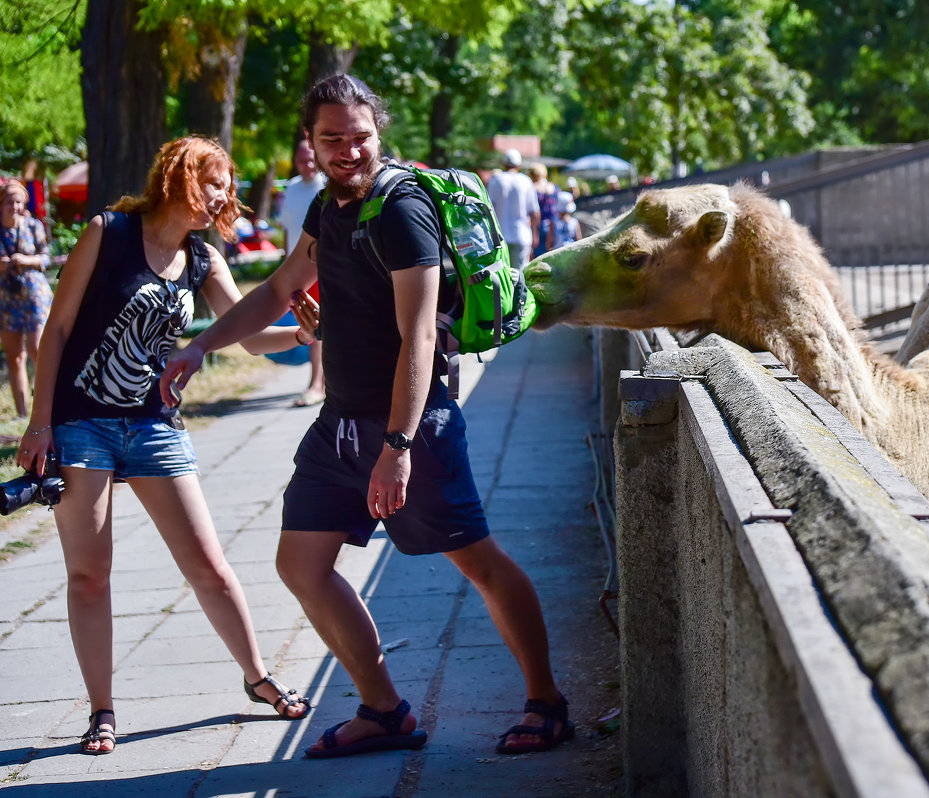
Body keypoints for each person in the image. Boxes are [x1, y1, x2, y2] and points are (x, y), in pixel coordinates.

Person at [161, 73, 572, 759]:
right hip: (339, 424)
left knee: (478, 562)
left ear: (378, 133)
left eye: (360, 137)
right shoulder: (329, 205)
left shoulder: (403, 211)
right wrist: (202, 344)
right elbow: (282, 289)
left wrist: (399, 446)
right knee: (302, 563)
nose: (348, 150)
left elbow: (418, 338)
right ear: (311, 144)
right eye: (333, 140)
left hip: (410, 426)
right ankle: (384, 710)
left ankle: (547, 702)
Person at [17, 136, 317, 755]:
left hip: (155, 425)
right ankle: (101, 711)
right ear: (181, 176)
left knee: (209, 565)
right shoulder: (110, 231)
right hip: (81, 423)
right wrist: (39, 422)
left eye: (229, 187)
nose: (223, 197)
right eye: (215, 183)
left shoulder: (204, 259)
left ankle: (257, 677)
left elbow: (247, 336)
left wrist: (305, 331)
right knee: (89, 574)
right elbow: (60, 329)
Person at [279, 140, 327, 407]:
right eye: (301, 159)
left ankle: (317, 383)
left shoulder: (325, 186)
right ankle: (318, 382)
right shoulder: (292, 188)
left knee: (321, 324)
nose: (307, 165)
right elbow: (288, 229)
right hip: (299, 268)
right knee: (310, 323)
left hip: (324, 267)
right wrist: (286, 265)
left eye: (311, 159)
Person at [0, 179, 54, 417]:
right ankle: (22, 413)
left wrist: (25, 259)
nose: (14, 206)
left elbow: (46, 258)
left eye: (18, 201)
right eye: (10, 202)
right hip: (7, 297)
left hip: (35, 295)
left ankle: (45, 407)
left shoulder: (33, 226)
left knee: (37, 348)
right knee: (14, 355)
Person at [485, 149, 539, 267]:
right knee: (520, 274)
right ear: (519, 165)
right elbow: (535, 212)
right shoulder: (526, 181)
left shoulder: (495, 181)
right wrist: (535, 233)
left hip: (499, 236)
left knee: (503, 275)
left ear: (504, 164)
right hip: (522, 235)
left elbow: (488, 209)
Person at [528, 162, 556, 257]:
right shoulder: (554, 187)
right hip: (552, 225)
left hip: (538, 225)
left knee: (537, 256)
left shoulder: (533, 188)